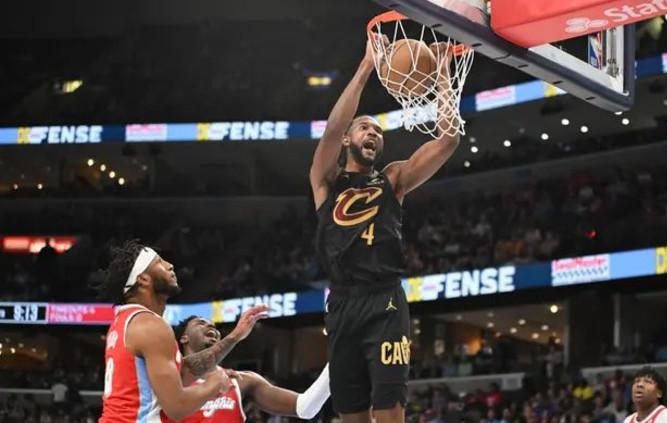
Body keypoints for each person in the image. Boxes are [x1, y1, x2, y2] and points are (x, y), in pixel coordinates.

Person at [310, 35, 461, 423]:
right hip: (341, 304)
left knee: (389, 410)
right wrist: (365, 69)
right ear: (348, 139)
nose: (373, 133)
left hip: (386, 301)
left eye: (378, 131)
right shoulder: (326, 181)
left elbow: (448, 139)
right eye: (364, 128)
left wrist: (443, 73)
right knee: (352, 414)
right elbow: (331, 130)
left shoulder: (393, 179)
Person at [95, 239, 270, 422]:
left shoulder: (126, 321)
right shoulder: (150, 325)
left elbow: (181, 372)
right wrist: (214, 383)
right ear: (143, 279)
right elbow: (176, 407)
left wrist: (234, 336)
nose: (170, 265)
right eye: (159, 262)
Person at [168, 316, 330, 422]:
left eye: (213, 325)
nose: (210, 325)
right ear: (184, 338)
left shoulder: (241, 381)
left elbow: (306, 408)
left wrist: (337, 359)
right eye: (200, 323)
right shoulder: (167, 378)